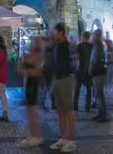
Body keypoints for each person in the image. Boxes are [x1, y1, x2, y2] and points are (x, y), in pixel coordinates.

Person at [49, 23, 76, 153]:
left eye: (55, 32)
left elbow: (72, 60)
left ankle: (71, 141)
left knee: (68, 110)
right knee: (60, 110)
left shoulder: (66, 45)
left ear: (61, 33)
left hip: (65, 79)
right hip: (58, 79)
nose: (53, 34)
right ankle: (63, 139)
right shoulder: (57, 45)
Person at [17, 36, 44, 148]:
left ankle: (36, 136)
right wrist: (21, 63)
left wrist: (26, 70)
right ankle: (32, 135)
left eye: (32, 42)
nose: (30, 44)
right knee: (29, 111)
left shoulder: (39, 57)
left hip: (35, 85)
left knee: (33, 111)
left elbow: (37, 72)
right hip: (28, 85)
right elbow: (19, 70)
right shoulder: (27, 56)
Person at [89, 30, 107, 122]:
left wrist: (91, 68)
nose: (92, 37)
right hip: (98, 72)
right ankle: (100, 114)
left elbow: (95, 59)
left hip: (98, 73)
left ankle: (102, 115)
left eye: (94, 35)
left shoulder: (98, 45)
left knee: (99, 95)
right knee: (98, 95)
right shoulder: (97, 45)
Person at [73, 32, 92, 112]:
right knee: (88, 90)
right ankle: (87, 107)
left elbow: (76, 58)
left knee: (77, 89)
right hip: (88, 70)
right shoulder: (92, 46)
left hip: (80, 69)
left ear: (83, 37)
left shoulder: (79, 46)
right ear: (89, 37)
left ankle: (75, 107)